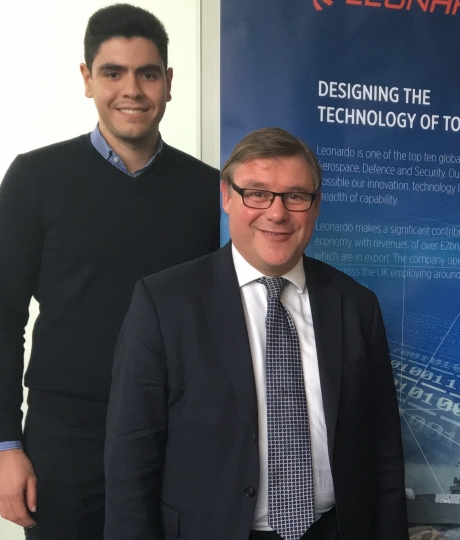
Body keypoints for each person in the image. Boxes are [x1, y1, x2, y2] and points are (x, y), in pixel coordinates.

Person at [0, 5, 220, 539]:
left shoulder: (210, 192)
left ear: (169, 83)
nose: (131, 89)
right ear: (87, 79)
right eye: (113, 72)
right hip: (65, 439)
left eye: (147, 73)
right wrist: (3, 445)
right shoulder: (34, 179)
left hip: (177, 435)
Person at [104, 127, 408, 540]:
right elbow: (131, 460)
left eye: (296, 196)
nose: (277, 213)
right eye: (257, 193)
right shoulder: (164, 304)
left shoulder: (356, 305)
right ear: (227, 197)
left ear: (315, 207)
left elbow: (384, 453)